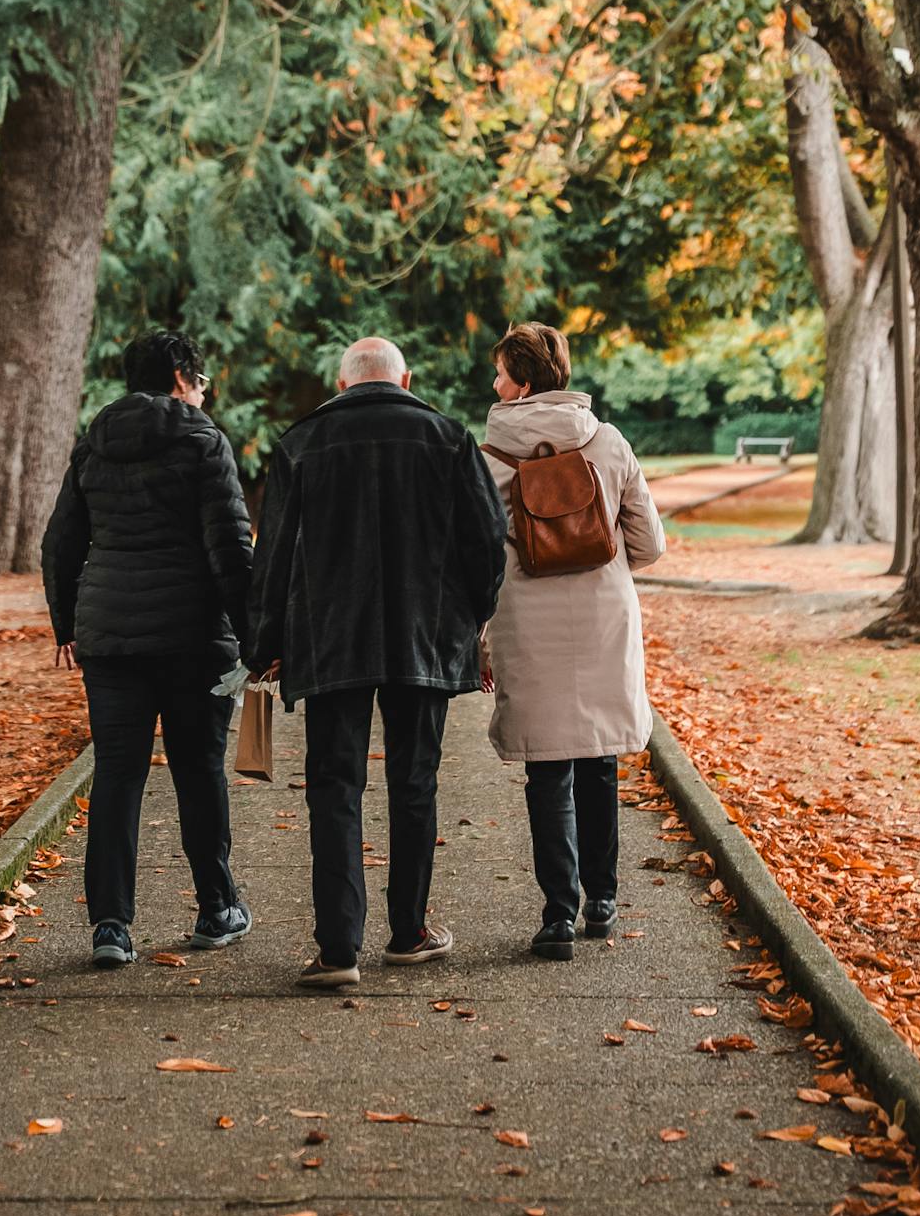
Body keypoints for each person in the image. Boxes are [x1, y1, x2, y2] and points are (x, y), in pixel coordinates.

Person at [247, 335, 507, 991]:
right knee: (414, 782)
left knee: (335, 788)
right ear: (405, 379)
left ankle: (338, 949)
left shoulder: (302, 443)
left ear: (342, 385)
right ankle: (409, 931)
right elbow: (487, 543)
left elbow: (273, 553)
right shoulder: (447, 437)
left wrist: (266, 642)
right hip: (423, 636)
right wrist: (472, 617)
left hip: (330, 637)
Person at [41, 329, 254, 970]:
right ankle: (216, 908)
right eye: (200, 379)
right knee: (198, 769)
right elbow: (230, 549)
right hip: (192, 638)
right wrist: (255, 636)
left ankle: (111, 925)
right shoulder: (201, 440)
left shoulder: (93, 445)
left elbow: (59, 545)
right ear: (182, 377)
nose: (203, 391)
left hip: (110, 641)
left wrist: (66, 627)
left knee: (118, 774)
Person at [479, 320, 665, 962]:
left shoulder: (488, 456)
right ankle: (603, 900)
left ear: (522, 384)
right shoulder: (609, 443)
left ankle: (558, 914)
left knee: (547, 768)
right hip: (603, 617)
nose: (494, 383)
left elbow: (474, 555)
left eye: (500, 373)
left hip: (526, 618)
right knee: (600, 762)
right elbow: (650, 544)